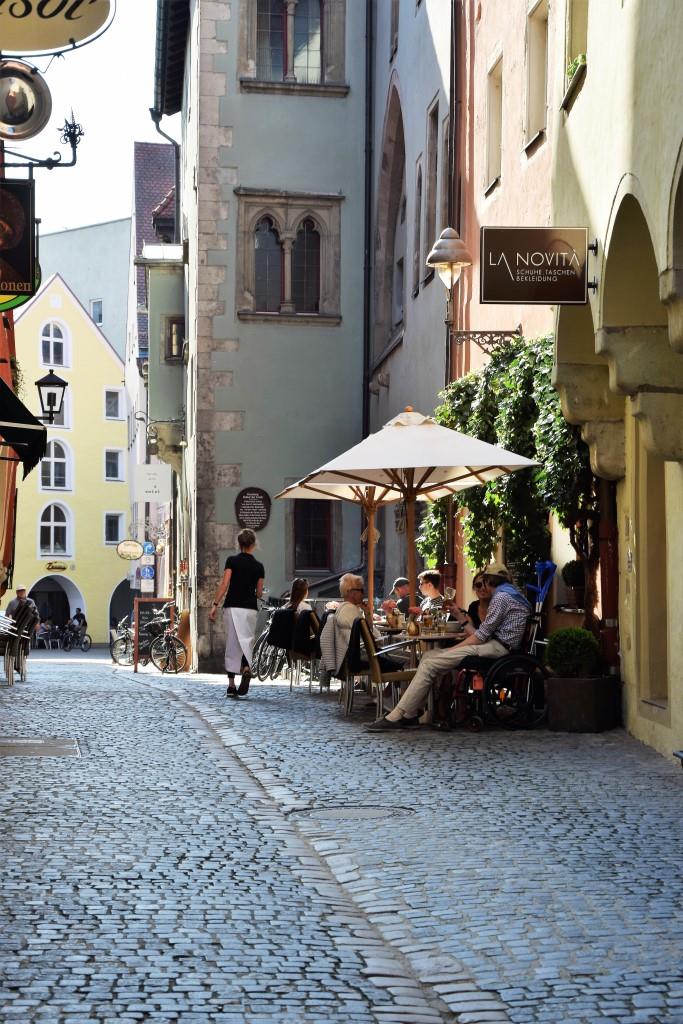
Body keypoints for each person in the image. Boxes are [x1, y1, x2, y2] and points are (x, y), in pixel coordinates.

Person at [367, 562, 531, 731]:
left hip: (498, 649)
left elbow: (481, 636)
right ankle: (410, 714)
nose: (483, 587)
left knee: (431, 662)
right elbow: (481, 634)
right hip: (496, 646)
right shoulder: (510, 595)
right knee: (428, 656)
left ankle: (399, 715)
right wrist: (459, 616)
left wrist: (454, 649)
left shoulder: (501, 597)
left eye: (484, 582)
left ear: (489, 581)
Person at [209, 528, 265, 699]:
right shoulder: (259, 566)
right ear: (253, 545)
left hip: (233, 606)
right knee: (246, 641)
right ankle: (247, 668)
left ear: (239, 544)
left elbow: (225, 584)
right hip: (250, 608)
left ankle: (231, 685)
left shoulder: (232, 561)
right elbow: (259, 593)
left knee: (233, 643)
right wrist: (255, 592)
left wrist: (214, 604)